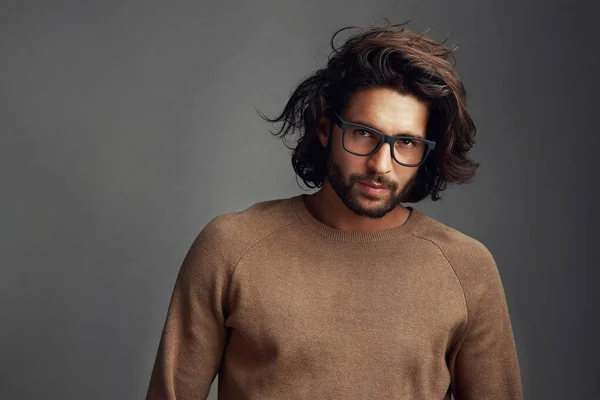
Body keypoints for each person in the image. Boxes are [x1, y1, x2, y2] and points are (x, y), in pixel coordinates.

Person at [146, 21, 524, 400]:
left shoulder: (466, 269)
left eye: (406, 142)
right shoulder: (230, 247)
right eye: (363, 133)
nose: (381, 164)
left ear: (426, 152)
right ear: (326, 129)